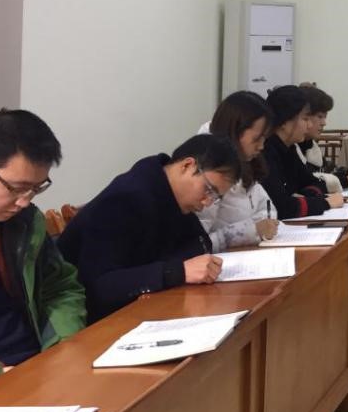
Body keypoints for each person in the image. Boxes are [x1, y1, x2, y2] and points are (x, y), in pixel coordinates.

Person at [58, 134, 238, 322]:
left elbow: (201, 244)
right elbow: (100, 286)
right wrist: (176, 271)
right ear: (187, 165)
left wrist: (170, 270)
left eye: (215, 197)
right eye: (208, 189)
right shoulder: (125, 198)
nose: (207, 202)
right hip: (91, 320)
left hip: (142, 308)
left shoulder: (173, 195)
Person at [0, 109, 84, 379]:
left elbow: (60, 287)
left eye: (36, 188)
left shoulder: (25, 223)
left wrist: (63, 345)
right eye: (16, 188)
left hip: (38, 365)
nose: (24, 201)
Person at [198, 91, 279, 250]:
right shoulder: (207, 175)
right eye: (257, 139)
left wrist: (263, 226)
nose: (261, 146)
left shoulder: (246, 164)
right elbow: (197, 245)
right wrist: (252, 230)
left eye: (264, 139)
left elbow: (267, 208)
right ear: (234, 132)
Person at [260, 85, 342, 219]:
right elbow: (281, 207)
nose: (309, 125)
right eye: (305, 119)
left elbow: (315, 183)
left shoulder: (289, 148)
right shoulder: (265, 152)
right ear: (284, 121)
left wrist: (301, 197)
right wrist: (324, 203)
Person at [297, 83, 348, 193]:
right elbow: (305, 184)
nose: (324, 123)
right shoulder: (290, 149)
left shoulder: (310, 146)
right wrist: (346, 181)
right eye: (320, 117)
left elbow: (330, 171)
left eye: (325, 117)